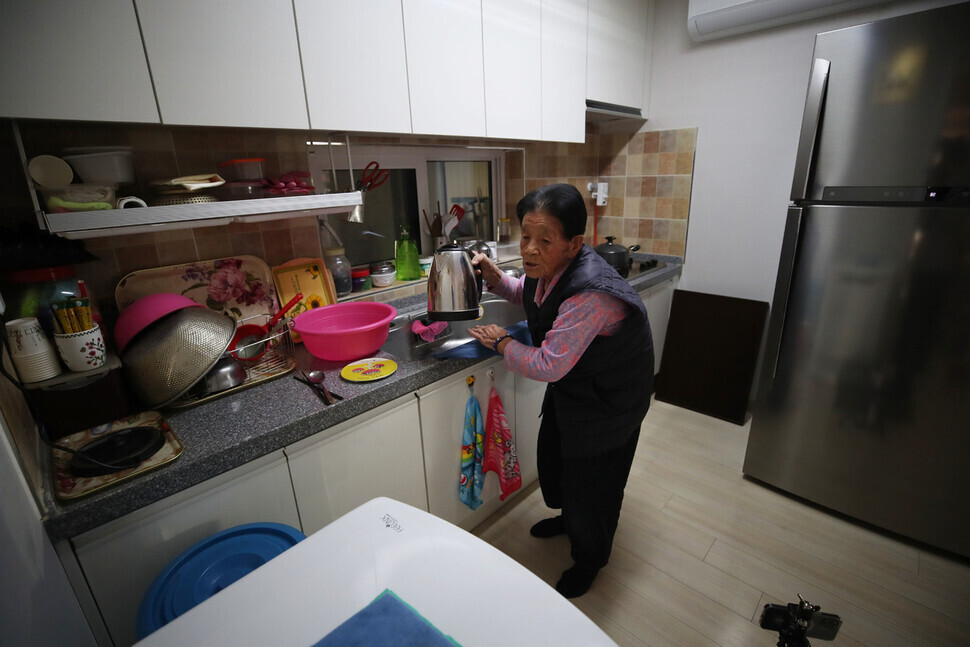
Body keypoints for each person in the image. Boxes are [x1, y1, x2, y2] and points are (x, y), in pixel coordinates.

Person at [468, 183, 654, 598]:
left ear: (574, 245)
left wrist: (502, 342)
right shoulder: (549, 271)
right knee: (563, 462)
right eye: (526, 237)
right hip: (581, 389)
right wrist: (495, 277)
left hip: (610, 401)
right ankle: (572, 521)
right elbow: (526, 292)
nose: (530, 250)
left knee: (595, 485)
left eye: (544, 241)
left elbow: (549, 365)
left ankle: (590, 559)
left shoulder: (590, 292)